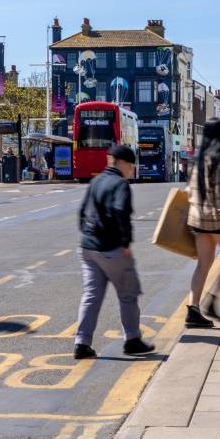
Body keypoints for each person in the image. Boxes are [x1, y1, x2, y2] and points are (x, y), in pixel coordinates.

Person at [74, 144, 154, 359]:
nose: (132, 170)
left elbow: (82, 213)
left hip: (88, 248)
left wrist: (88, 234)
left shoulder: (96, 181)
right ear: (122, 163)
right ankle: (132, 340)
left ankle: (82, 343)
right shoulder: (121, 185)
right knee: (128, 294)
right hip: (111, 247)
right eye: (131, 166)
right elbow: (121, 212)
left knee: (91, 296)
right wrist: (125, 242)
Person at [186, 118, 220, 328]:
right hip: (216, 219)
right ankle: (213, 300)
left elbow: (190, 191)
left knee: (203, 264)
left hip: (197, 218)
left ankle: (193, 310)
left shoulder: (197, 159)